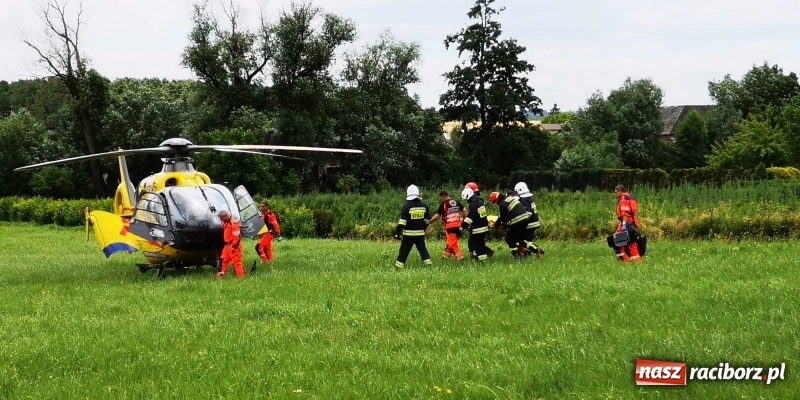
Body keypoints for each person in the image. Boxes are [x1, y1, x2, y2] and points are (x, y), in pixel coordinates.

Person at [394, 185, 433, 269]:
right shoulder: (424, 205)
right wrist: (423, 228)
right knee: (422, 249)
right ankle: (428, 263)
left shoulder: (407, 206)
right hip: (420, 233)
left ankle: (398, 266)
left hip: (408, 234)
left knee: (404, 250)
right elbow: (427, 220)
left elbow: (402, 222)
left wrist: (397, 232)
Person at [490, 191, 531, 258]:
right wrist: (500, 224)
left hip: (518, 220)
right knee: (519, 239)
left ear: (496, 200)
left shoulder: (502, 204)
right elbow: (503, 217)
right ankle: (534, 250)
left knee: (508, 238)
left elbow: (503, 219)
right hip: (525, 219)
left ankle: (517, 256)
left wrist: (498, 225)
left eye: (494, 202)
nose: (495, 204)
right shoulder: (507, 200)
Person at [429, 191, 465, 261]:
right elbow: (465, 212)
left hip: (450, 226)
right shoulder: (457, 202)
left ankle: (460, 257)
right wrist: (463, 221)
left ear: (443, 197)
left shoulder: (444, 204)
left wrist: (429, 221)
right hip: (458, 225)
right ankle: (446, 256)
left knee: (452, 242)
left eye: (441, 198)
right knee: (451, 241)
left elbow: (437, 216)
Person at [461, 187, 494, 261]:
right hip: (483, 226)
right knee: (478, 243)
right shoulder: (479, 202)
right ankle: (481, 256)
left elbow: (470, 217)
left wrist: (463, 226)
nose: (466, 201)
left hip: (478, 228)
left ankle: (482, 260)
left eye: (466, 199)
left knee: (477, 245)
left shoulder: (474, 204)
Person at [514, 182, 544, 257]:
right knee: (527, 240)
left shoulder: (523, 200)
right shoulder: (529, 199)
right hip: (534, 223)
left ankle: (536, 250)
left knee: (523, 240)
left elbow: (528, 213)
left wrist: (520, 220)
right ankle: (527, 253)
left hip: (530, 224)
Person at [614, 184, 643, 262]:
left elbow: (625, 213)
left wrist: (623, 225)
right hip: (631, 223)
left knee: (621, 241)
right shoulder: (629, 198)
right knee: (631, 242)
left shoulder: (624, 199)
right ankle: (637, 260)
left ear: (620, 191)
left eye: (616, 192)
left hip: (626, 223)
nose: (615, 194)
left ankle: (626, 260)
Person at [217, 210, 245, 278]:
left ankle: (241, 277)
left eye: (222, 217)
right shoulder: (226, 223)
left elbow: (237, 237)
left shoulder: (233, 223)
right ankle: (221, 274)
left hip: (233, 245)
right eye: (220, 218)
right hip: (227, 246)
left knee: (236, 262)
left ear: (226, 216)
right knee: (223, 260)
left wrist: (234, 247)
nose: (221, 219)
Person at [255, 201, 283, 266]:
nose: (261, 207)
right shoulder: (263, 214)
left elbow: (275, 224)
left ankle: (265, 261)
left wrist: (277, 233)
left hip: (269, 233)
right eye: (261, 206)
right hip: (264, 234)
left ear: (267, 206)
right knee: (267, 249)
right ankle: (271, 262)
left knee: (258, 247)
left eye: (263, 206)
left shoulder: (270, 215)